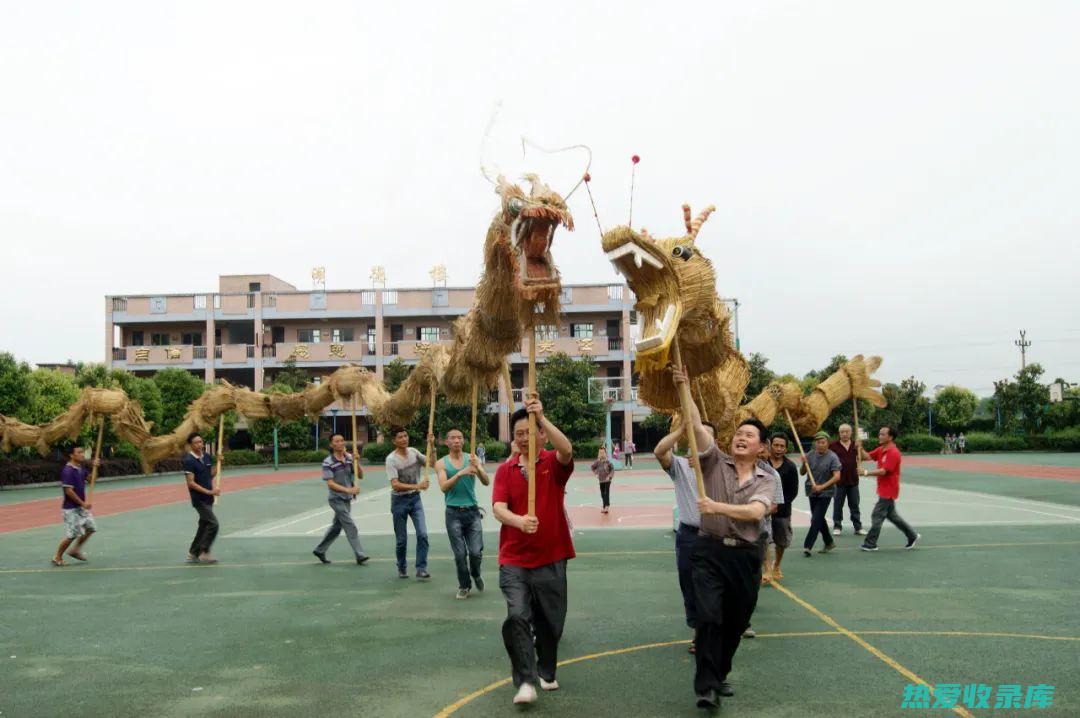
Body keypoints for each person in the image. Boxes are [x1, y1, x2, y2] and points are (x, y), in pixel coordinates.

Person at [674, 366, 774, 709]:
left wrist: (714, 505)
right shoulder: (715, 460)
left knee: (735, 623)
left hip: (745, 557)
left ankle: (719, 675)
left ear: (761, 448)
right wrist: (685, 387)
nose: (741, 437)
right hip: (708, 552)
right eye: (738, 433)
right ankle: (705, 686)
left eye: (749, 435)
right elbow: (698, 425)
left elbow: (756, 513)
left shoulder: (767, 478)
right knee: (709, 617)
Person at [492, 395, 575, 706]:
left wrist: (542, 416)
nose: (524, 438)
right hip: (514, 559)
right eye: (518, 434)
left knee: (551, 623)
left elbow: (567, 450)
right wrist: (519, 521)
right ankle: (525, 680)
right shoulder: (505, 470)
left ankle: (546, 669)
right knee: (517, 617)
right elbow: (498, 508)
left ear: (541, 434)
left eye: (530, 431)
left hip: (552, 558)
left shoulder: (552, 464)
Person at [654, 411, 717, 653]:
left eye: (705, 438)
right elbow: (660, 452)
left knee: (713, 585)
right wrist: (681, 430)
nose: (700, 442)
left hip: (716, 536)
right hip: (689, 535)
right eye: (696, 436)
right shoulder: (680, 466)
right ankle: (698, 629)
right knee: (689, 583)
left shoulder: (724, 467)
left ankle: (713, 629)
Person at [436, 428, 490, 599]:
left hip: (472, 512)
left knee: (476, 552)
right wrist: (461, 473)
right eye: (453, 438)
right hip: (453, 513)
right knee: (460, 554)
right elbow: (444, 487)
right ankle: (464, 585)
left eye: (460, 437)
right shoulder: (442, 463)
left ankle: (475, 573)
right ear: (447, 442)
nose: (457, 441)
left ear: (464, 441)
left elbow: (486, 481)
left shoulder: (472, 458)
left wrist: (478, 469)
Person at [858, 427, 920, 551]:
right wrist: (860, 448)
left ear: (890, 437)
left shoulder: (893, 452)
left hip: (889, 489)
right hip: (883, 488)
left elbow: (884, 471)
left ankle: (870, 543)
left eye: (882, 434)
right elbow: (867, 457)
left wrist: (865, 472)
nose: (879, 436)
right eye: (879, 434)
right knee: (892, 516)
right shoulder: (882, 449)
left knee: (877, 515)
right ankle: (912, 535)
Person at [312, 433, 369, 566]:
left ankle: (320, 550)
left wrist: (357, 461)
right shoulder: (328, 462)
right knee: (350, 525)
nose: (340, 443)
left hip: (347, 499)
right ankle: (360, 555)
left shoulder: (349, 458)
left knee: (336, 527)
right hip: (336, 499)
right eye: (337, 441)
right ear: (331, 445)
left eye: (342, 440)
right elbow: (331, 484)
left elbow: (360, 475)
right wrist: (349, 490)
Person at [385, 426, 432, 580]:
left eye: (405, 435)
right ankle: (402, 566)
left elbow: (432, 463)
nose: (404, 439)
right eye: (400, 437)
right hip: (399, 500)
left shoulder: (414, 453)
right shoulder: (391, 459)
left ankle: (421, 568)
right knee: (401, 540)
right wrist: (417, 485)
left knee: (423, 534)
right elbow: (395, 484)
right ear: (394, 441)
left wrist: (433, 446)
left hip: (415, 499)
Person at [51, 443, 100, 566]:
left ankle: (75, 550)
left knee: (91, 528)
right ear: (72, 455)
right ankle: (57, 557)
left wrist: (96, 467)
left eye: (82, 452)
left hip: (80, 508)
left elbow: (91, 480)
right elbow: (68, 491)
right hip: (70, 509)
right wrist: (83, 503)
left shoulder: (80, 468)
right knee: (72, 535)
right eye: (79, 452)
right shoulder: (68, 470)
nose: (82, 454)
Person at [800, 431, 840, 556]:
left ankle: (808, 546)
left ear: (827, 443)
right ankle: (829, 542)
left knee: (815, 518)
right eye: (818, 442)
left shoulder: (833, 457)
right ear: (815, 444)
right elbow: (802, 472)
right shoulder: (810, 455)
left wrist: (822, 486)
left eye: (823, 442)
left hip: (826, 492)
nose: (820, 445)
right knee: (819, 518)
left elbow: (837, 477)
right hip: (812, 491)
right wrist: (803, 463)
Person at [183, 432, 221, 564]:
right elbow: (191, 483)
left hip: (208, 498)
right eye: (196, 442)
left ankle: (193, 553)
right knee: (213, 524)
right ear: (191, 445)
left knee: (204, 526)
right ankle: (204, 551)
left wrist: (219, 463)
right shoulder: (189, 461)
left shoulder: (207, 457)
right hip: (199, 499)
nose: (200, 444)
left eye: (201, 442)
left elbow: (210, 474)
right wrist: (210, 492)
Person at [766, 433, 799, 580]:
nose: (778, 449)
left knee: (781, 541)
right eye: (776, 445)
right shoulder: (762, 463)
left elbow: (793, 491)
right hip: (762, 509)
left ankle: (777, 564)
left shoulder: (790, 467)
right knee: (763, 539)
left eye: (782, 446)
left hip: (782, 511)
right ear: (770, 446)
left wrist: (778, 505)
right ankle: (766, 568)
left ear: (786, 449)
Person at [830, 424, 864, 536]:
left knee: (854, 505)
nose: (844, 434)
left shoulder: (856, 445)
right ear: (839, 433)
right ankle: (837, 526)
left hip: (853, 480)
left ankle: (858, 527)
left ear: (851, 433)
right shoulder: (833, 445)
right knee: (838, 505)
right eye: (842, 432)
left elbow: (864, 457)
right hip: (839, 481)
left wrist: (860, 448)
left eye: (847, 431)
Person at [591, 446, 615, 514]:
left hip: (607, 480)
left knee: (606, 493)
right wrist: (596, 474)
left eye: (603, 452)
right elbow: (592, 467)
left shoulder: (608, 461)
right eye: (600, 453)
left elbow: (612, 469)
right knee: (602, 494)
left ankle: (607, 506)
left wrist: (610, 476)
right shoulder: (597, 462)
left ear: (605, 453)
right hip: (601, 480)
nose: (602, 454)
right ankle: (604, 506)